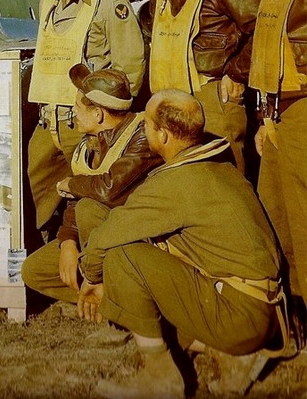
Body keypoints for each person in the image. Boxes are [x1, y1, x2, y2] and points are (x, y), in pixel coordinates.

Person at [78, 89, 284, 398]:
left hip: (238, 317)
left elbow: (107, 236)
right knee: (152, 260)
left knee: (123, 257)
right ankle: (232, 354)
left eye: (146, 124)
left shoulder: (176, 183)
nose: (143, 128)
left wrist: (93, 277)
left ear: (162, 134)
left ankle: (161, 378)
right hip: (263, 312)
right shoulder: (220, 166)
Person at [223, 0, 307, 329]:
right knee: (279, 220)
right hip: (279, 117)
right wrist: (265, 116)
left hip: (302, 114)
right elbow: (272, 51)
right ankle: (295, 320)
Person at [27, 0, 145, 231]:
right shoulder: (48, 2)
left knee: (89, 200)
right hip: (48, 120)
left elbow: (130, 68)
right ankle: (51, 252)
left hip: (85, 123)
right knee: (39, 196)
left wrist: (109, 124)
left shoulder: (110, 4)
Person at [22, 65, 161, 306]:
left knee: (89, 210)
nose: (73, 112)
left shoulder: (142, 136)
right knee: (34, 270)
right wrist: (68, 242)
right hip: (94, 239)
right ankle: (106, 302)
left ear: (98, 114)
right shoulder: (87, 143)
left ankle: (132, 307)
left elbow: (108, 189)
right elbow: (75, 201)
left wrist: (72, 183)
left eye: (78, 106)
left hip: (132, 241)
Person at [132, 0, 261, 172]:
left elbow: (264, 27)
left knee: (225, 174)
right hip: (171, 97)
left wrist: (237, 73)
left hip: (211, 96)